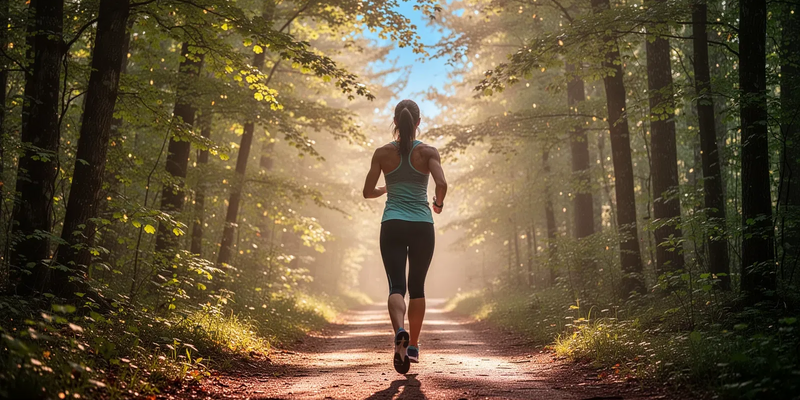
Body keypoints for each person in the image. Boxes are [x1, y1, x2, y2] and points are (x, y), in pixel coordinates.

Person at [362, 99, 447, 374]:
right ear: (418, 122)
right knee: (418, 287)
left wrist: (387, 189)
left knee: (396, 287)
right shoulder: (428, 152)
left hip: (393, 224)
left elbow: (367, 191)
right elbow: (442, 184)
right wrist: (438, 204)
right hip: (422, 225)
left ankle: (400, 331)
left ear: (395, 121)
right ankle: (413, 346)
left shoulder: (382, 154)